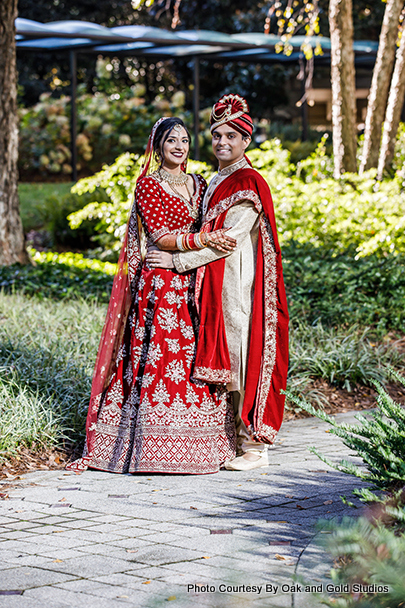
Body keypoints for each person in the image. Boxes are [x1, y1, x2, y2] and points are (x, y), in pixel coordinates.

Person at [67, 116, 237, 475]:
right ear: (158, 145)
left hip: (195, 278)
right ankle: (150, 448)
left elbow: (212, 222)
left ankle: (202, 446)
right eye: (172, 140)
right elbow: (159, 237)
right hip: (160, 284)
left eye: (185, 140)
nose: (179, 146)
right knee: (162, 356)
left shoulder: (199, 182)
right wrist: (204, 240)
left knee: (195, 357)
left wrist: (200, 246)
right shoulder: (148, 185)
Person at [147, 95, 289, 471]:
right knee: (225, 357)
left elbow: (229, 239)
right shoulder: (214, 181)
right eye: (216, 136)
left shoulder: (249, 181)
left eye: (231, 136)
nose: (222, 143)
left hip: (238, 281)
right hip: (211, 282)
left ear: (245, 141)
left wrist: (177, 261)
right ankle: (230, 439)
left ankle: (254, 447)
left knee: (242, 355)